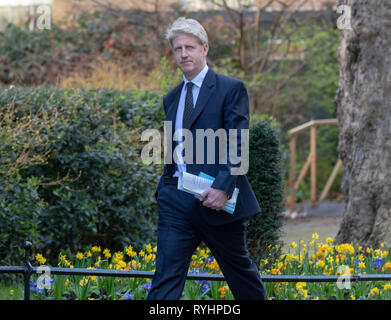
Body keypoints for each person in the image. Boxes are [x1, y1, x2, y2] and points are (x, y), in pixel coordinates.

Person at [147, 17, 267, 300]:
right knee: (165, 277)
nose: (183, 54)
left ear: (205, 49)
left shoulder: (230, 88)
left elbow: (239, 141)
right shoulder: (172, 98)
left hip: (216, 201)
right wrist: (165, 189)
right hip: (176, 201)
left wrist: (224, 187)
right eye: (178, 49)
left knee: (240, 273)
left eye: (190, 47)